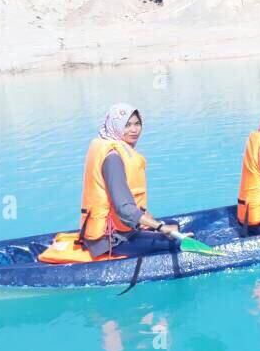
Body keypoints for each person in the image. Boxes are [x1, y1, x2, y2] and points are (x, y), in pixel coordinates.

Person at [77, 102, 183, 258]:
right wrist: (160, 227)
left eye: (137, 123)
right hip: (110, 239)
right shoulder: (113, 158)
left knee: (175, 225)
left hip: (123, 229)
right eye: (127, 125)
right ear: (116, 126)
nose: (134, 130)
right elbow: (124, 209)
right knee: (176, 242)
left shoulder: (115, 148)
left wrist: (154, 224)